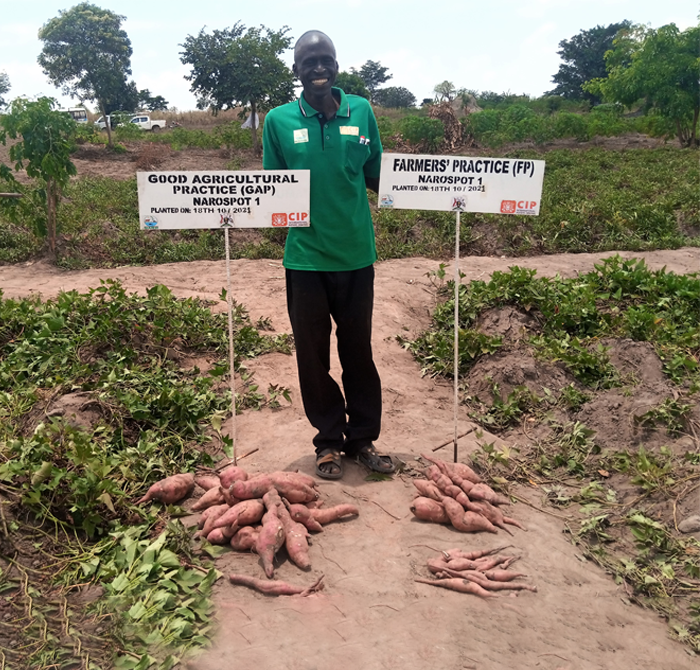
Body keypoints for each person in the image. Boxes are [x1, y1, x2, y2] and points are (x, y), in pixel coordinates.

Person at [262, 30, 395, 479]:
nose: (318, 68)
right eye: (309, 61)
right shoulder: (278, 121)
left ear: (336, 64)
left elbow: (378, 174)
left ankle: (363, 439)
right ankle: (327, 442)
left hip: (357, 255)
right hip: (305, 260)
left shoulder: (362, 110)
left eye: (325, 60)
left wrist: (440, 189)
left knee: (358, 350)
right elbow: (272, 189)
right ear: (296, 70)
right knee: (312, 355)